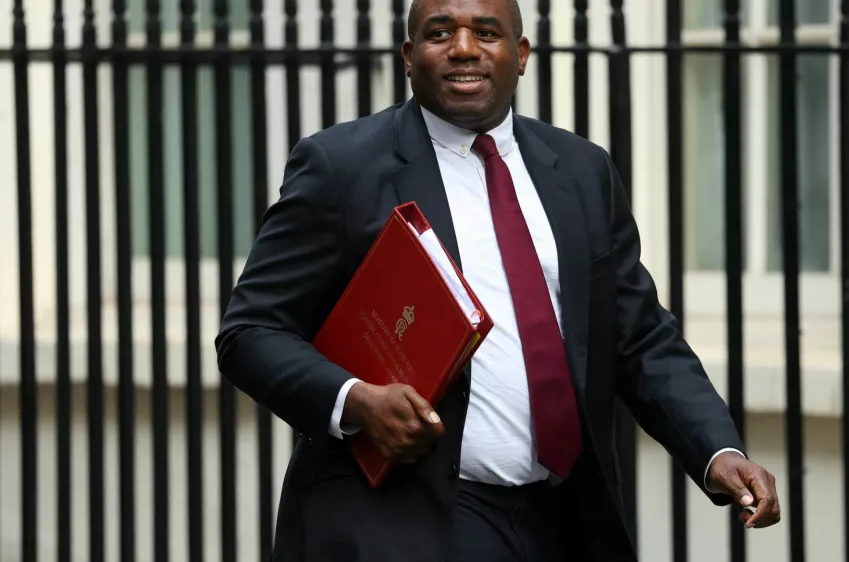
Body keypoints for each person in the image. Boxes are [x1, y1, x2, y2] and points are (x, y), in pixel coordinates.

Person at [215, 0, 781, 559]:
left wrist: (715, 448)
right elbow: (251, 331)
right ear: (409, 57)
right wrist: (355, 401)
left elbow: (638, 335)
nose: (464, 49)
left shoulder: (582, 170)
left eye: (486, 32)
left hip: (564, 516)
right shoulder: (341, 167)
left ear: (522, 53)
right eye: (440, 33)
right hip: (413, 518)